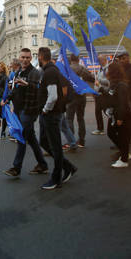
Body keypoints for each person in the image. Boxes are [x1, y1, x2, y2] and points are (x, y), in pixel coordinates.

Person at [3, 48, 48, 178]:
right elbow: (15, 89)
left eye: (28, 57)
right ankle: (42, 164)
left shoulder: (35, 72)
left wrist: (27, 84)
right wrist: (7, 99)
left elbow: (38, 90)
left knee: (21, 136)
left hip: (29, 110)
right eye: (23, 57)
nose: (25, 60)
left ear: (30, 58)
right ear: (19, 57)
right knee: (31, 138)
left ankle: (16, 168)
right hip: (18, 109)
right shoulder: (17, 72)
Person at [37, 47, 76, 190]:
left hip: (51, 114)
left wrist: (45, 109)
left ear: (41, 56)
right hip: (48, 114)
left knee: (55, 146)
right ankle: (68, 167)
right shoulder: (49, 71)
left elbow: (53, 96)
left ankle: (56, 178)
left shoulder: (50, 71)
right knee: (44, 141)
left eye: (37, 57)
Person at [106, 61, 131, 168]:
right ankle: (124, 152)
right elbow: (111, 98)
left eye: (109, 70)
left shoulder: (121, 85)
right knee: (111, 133)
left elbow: (123, 103)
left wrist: (120, 118)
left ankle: (124, 159)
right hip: (114, 114)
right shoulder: (114, 84)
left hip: (121, 116)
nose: (107, 72)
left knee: (123, 136)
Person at [67, 54, 94, 147]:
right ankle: (82, 140)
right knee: (80, 118)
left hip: (71, 96)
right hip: (81, 96)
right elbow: (92, 78)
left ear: (71, 59)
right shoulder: (83, 69)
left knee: (69, 118)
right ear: (78, 60)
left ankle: (71, 140)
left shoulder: (68, 69)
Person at [92, 55, 110, 135]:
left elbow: (108, 82)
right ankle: (100, 129)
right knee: (97, 111)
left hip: (104, 94)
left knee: (107, 111)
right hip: (98, 94)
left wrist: (99, 80)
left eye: (99, 60)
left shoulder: (108, 69)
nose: (98, 62)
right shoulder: (100, 69)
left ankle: (117, 123)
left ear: (104, 60)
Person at [0, 63, 9, 137]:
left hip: (2, 97)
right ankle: (4, 131)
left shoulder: (5, 77)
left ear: (3, 68)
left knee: (3, 115)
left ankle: (3, 132)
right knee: (1, 114)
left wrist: (4, 99)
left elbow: (6, 89)